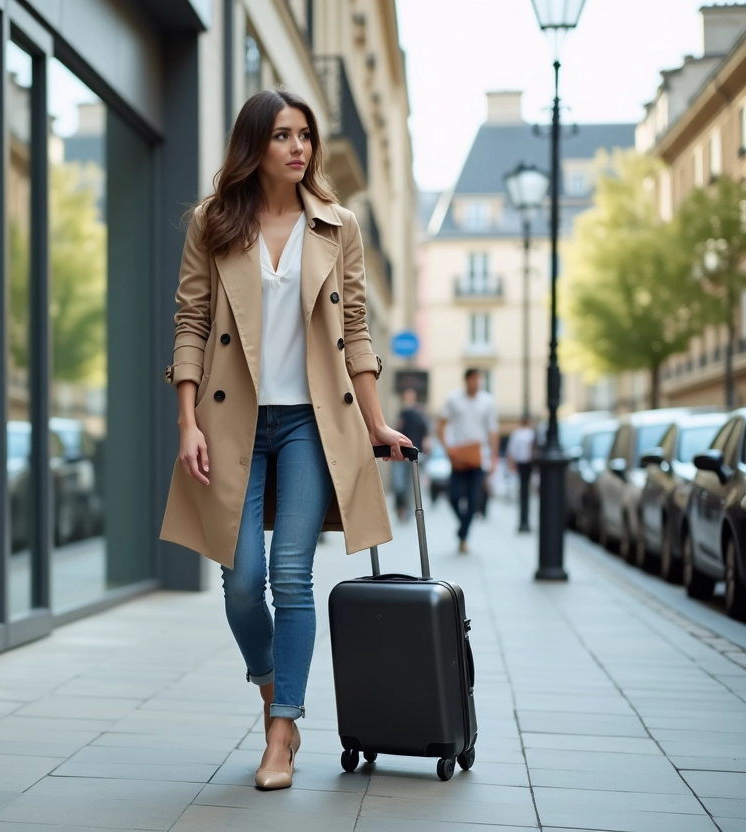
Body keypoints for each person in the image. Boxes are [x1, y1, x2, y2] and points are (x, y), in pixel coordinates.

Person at [160, 89, 411, 792]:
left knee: (291, 575)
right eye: (282, 136)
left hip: (309, 423)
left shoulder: (339, 226)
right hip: (230, 421)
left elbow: (355, 331)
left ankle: (280, 736)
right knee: (240, 583)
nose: (298, 147)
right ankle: (277, 692)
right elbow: (189, 322)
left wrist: (375, 422)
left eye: (305, 135)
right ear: (254, 146)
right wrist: (187, 424)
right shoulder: (213, 224)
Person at [436, 369, 498, 553]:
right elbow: (440, 424)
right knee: (453, 497)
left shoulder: (487, 401)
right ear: (466, 380)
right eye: (473, 379)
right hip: (458, 455)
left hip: (478, 457)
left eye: (479, 379)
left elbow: (493, 432)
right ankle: (464, 526)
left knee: (473, 500)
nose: (476, 383)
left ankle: (463, 536)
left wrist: (494, 459)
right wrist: (447, 448)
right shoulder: (453, 399)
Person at [393, 388, 428, 521]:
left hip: (413, 455)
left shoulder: (419, 414)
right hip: (399, 454)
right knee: (399, 484)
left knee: (409, 485)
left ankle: (406, 510)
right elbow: (396, 429)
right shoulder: (402, 413)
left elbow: (425, 433)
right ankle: (399, 507)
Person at [506, 416, 536, 534]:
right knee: (526, 493)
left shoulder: (517, 434)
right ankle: (525, 522)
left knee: (523, 492)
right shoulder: (531, 433)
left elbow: (511, 451)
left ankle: (523, 522)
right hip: (528, 464)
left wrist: (511, 464)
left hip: (522, 463)